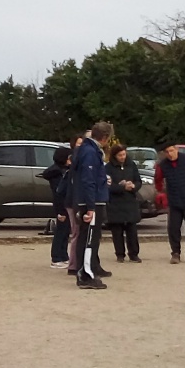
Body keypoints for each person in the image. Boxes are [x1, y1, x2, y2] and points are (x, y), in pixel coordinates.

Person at [74, 122, 114, 289]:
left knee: (90, 238)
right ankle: (86, 275)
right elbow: (88, 180)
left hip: (92, 199)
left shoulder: (88, 149)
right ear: (104, 138)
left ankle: (89, 270)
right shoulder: (90, 152)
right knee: (89, 239)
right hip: (91, 201)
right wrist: (90, 206)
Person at [105, 144, 143, 263]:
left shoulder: (131, 165)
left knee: (132, 230)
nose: (122, 157)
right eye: (120, 155)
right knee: (117, 231)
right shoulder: (108, 168)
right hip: (116, 203)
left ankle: (134, 254)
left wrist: (134, 186)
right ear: (114, 156)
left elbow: (138, 181)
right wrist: (121, 187)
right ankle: (120, 254)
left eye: (124, 154)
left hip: (130, 201)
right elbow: (107, 186)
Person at [38, 147, 73, 269]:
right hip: (61, 206)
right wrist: (60, 211)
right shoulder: (57, 173)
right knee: (60, 232)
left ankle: (63, 256)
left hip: (66, 204)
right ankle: (56, 257)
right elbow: (58, 193)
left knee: (65, 231)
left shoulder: (64, 170)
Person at [63, 134, 86, 277]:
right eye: (79, 144)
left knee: (81, 233)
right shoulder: (75, 162)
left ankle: (81, 262)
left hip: (78, 201)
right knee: (76, 233)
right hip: (73, 202)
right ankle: (73, 264)